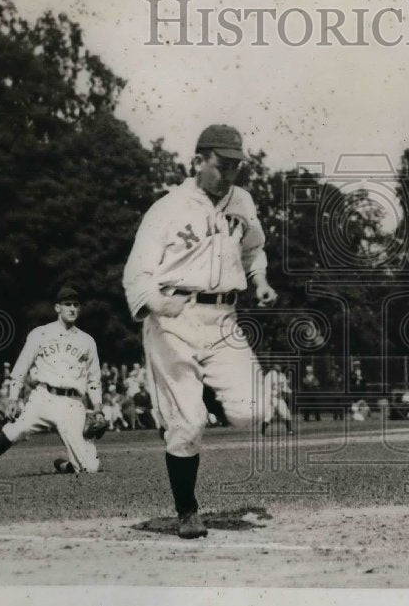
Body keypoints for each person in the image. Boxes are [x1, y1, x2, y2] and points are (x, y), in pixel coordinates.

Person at [123, 123, 277, 539]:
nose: (230, 173)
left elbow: (254, 248)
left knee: (253, 412)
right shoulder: (167, 208)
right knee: (189, 424)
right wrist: (157, 303)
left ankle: (182, 406)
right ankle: (187, 509)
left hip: (224, 319)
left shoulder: (241, 200)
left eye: (236, 166)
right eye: (222, 164)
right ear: (198, 161)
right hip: (174, 320)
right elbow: (136, 274)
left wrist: (260, 280)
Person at [0, 286, 104, 480]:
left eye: (76, 305)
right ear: (57, 308)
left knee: (90, 468)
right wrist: (12, 398)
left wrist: (98, 409)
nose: (72, 308)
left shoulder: (87, 341)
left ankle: (66, 465)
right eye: (67, 304)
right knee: (16, 430)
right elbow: (20, 369)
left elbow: (94, 379)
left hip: (73, 403)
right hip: (44, 398)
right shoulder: (40, 334)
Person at [261, 363, 294, 435]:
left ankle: (290, 431)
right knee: (269, 415)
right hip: (271, 398)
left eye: (280, 365)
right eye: (277, 365)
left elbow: (285, 387)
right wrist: (269, 399)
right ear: (274, 366)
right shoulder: (269, 376)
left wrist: (290, 391)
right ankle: (262, 432)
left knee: (286, 413)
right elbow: (266, 389)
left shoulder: (282, 375)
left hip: (279, 398)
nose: (279, 366)